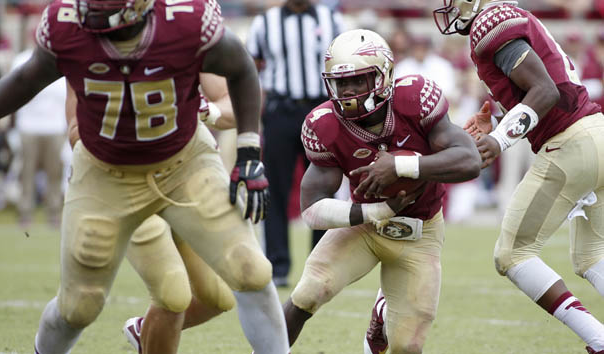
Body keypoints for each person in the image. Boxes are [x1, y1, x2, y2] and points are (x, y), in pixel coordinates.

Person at [0, 1, 290, 354]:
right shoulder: (67, 23)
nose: (87, 12)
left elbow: (242, 68)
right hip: (105, 172)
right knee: (79, 306)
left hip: (185, 162)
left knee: (250, 270)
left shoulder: (187, 22)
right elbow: (27, 78)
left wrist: (248, 150)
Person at [283, 29, 481, 353]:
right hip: (365, 226)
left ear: (383, 75)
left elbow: (469, 160)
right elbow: (311, 208)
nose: (347, 91)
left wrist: (401, 166)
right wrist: (376, 211)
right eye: (340, 82)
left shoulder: (415, 98)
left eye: (357, 81)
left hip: (420, 231)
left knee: (407, 347)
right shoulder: (324, 124)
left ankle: (382, 312)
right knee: (307, 292)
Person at [432, 1, 604, 353]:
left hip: (569, 143)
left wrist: (499, 139)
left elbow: (545, 91)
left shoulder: (489, 23)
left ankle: (599, 340)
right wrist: (495, 122)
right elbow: (545, 88)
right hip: (595, 132)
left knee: (512, 254)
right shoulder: (508, 14)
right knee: (591, 255)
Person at [65, 73, 238, 353]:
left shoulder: (185, 34)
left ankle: (143, 329)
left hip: (182, 179)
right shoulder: (89, 45)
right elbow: (75, 131)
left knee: (219, 297)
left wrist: (207, 110)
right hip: (128, 183)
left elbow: (232, 104)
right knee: (172, 295)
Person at [245, 0, 345, 287]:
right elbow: (250, 69)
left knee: (326, 187)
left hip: (322, 110)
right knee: (275, 189)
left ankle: (322, 263)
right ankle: (277, 267)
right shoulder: (265, 23)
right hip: (280, 111)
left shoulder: (332, 19)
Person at [12, 48, 67, 228]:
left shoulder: (61, 58)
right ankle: (25, 214)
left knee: (55, 173)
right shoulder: (22, 59)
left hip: (55, 126)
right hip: (29, 125)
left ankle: (54, 213)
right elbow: (15, 91)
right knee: (26, 172)